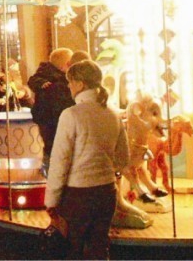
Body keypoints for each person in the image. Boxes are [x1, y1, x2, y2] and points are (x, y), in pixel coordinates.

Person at [45, 59, 130, 260]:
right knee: (99, 247)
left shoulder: (71, 115)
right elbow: (123, 157)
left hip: (77, 194)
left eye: (70, 82)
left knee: (73, 249)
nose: (68, 86)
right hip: (106, 190)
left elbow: (60, 161)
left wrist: (52, 199)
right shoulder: (112, 114)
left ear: (80, 84)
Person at [29, 48, 75, 158]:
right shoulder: (54, 80)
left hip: (46, 118)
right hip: (51, 118)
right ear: (66, 64)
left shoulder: (47, 75)